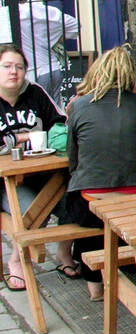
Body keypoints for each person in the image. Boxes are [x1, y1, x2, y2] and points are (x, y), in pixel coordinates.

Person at [64, 46, 136, 301]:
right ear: (130, 76)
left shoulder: (80, 106)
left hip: (91, 204)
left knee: (86, 216)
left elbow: (73, 161)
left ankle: (95, 287)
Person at [0, 42, 75, 290]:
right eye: (7, 66)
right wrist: (21, 137)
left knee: (76, 201)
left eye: (19, 67)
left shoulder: (35, 93)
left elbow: (58, 125)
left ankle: (64, 253)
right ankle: (17, 260)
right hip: (6, 182)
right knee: (33, 211)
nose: (14, 72)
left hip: (44, 173)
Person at [11, 0, 80, 101]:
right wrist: (54, 40)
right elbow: (75, 25)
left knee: (37, 112)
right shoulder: (45, 11)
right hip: (52, 68)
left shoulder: (15, 13)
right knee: (56, 110)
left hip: (32, 72)